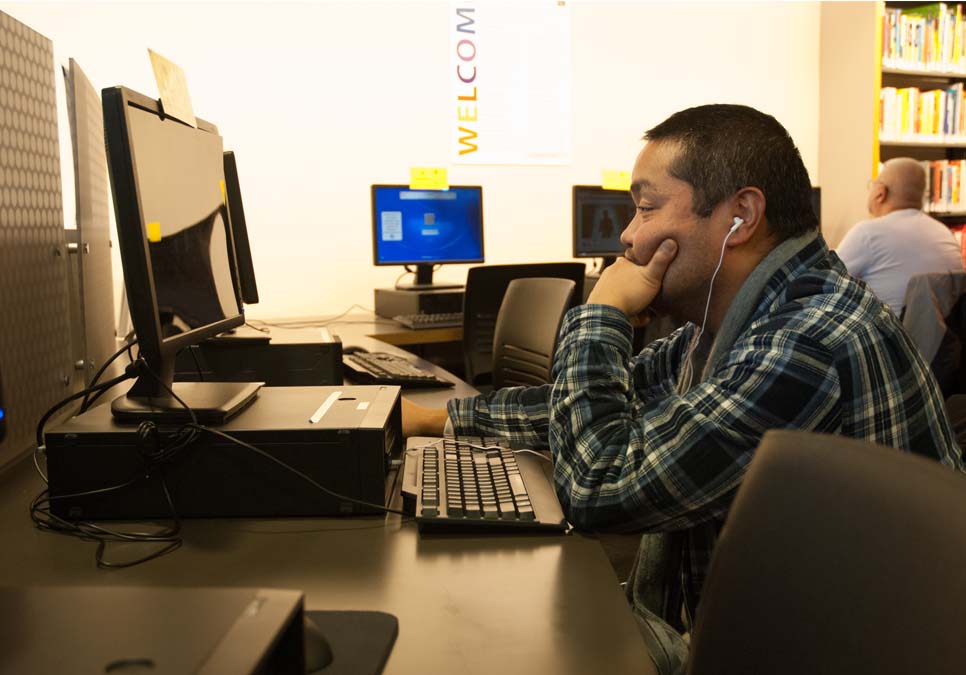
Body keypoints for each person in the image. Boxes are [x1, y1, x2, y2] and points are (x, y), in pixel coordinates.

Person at [404, 104, 964, 675]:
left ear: (740, 216)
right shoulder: (740, 323)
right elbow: (617, 398)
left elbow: (599, 485)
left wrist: (603, 312)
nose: (627, 235)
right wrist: (439, 421)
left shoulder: (806, 343)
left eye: (645, 207)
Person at [836, 157, 965, 315]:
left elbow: (823, 284)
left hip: (890, 337)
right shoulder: (945, 234)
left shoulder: (867, 233)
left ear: (880, 193)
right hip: (940, 338)